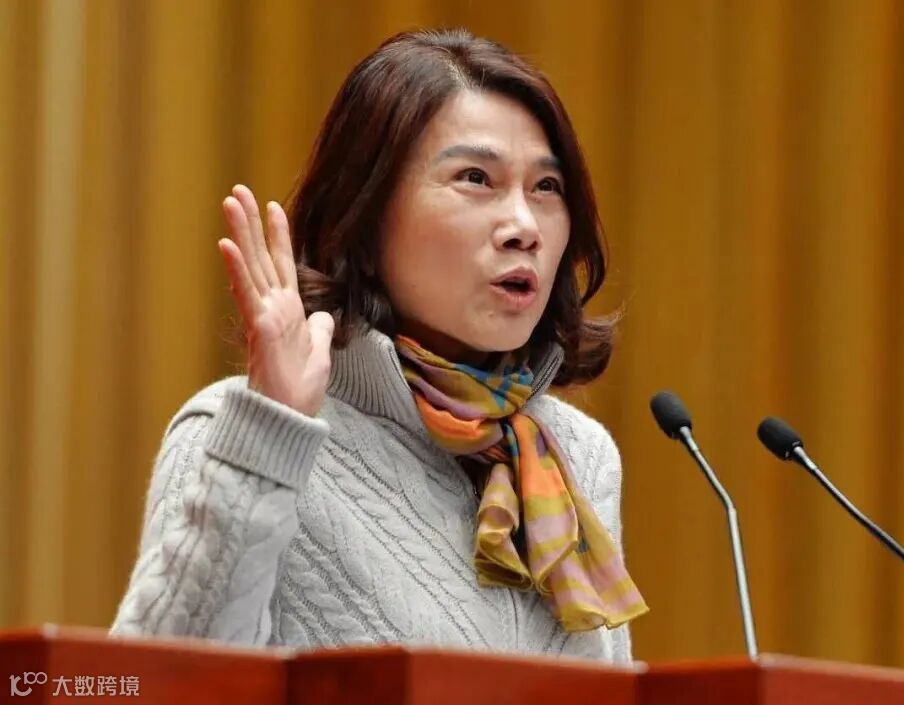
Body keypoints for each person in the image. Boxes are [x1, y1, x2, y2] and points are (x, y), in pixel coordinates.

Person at [109, 28, 647, 663]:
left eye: (547, 188)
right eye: (476, 178)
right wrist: (268, 432)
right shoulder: (234, 430)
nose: (524, 227)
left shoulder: (577, 455)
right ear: (365, 219)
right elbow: (152, 682)